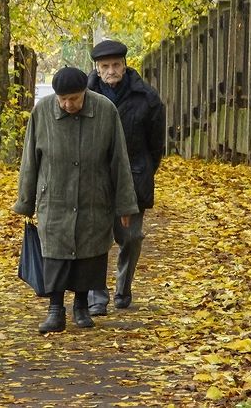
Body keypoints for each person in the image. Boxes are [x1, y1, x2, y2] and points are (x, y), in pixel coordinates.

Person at [13, 66, 140, 333]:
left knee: (90, 253)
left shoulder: (105, 111)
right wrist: (25, 201)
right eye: (63, 100)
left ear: (85, 92)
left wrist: (125, 205)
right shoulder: (42, 112)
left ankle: (81, 306)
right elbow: (29, 162)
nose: (69, 104)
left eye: (74, 98)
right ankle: (55, 310)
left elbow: (119, 160)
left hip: (94, 196)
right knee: (55, 255)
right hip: (54, 197)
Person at [86, 40, 165, 315]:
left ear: (125, 64)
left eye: (116, 65)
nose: (111, 71)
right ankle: (97, 295)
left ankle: (123, 287)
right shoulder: (85, 95)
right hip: (96, 178)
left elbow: (157, 145)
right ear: (96, 68)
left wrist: (143, 171)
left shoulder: (147, 98)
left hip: (134, 177)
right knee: (94, 238)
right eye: (105, 66)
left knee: (130, 237)